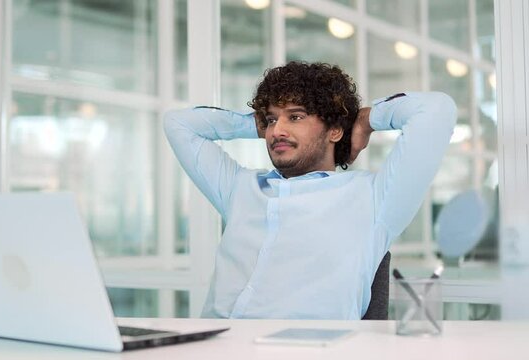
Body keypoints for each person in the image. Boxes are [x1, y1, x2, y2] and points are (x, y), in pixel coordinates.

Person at [164, 61, 456, 319]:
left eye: (296, 116)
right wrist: (254, 123)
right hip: (214, 345)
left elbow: (435, 109)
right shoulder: (239, 188)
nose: (277, 130)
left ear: (335, 130)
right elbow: (178, 123)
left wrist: (366, 119)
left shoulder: (375, 198)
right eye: (271, 119)